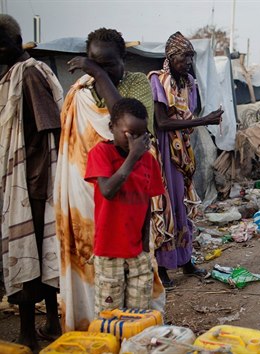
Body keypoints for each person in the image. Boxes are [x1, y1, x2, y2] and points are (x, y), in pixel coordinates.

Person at [55, 27, 164, 331]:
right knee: (102, 282)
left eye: (107, 65)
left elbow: (125, 117)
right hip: (87, 186)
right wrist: (94, 77)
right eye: (94, 64)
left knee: (137, 290)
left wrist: (96, 74)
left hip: (128, 195)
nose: (99, 72)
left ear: (123, 59)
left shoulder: (137, 84)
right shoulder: (80, 91)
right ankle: (95, 330)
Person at [0, 14, 63, 350]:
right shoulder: (17, 74)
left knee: (29, 256)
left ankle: (30, 331)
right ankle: (51, 322)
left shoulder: (29, 74)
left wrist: (35, 181)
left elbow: (50, 127)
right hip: (29, 181)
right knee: (39, 256)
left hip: (33, 185)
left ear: (6, 45)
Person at [149, 32, 223, 289]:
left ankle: (186, 261)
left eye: (191, 57)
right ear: (170, 57)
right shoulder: (158, 81)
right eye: (184, 57)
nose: (188, 63)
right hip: (164, 153)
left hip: (184, 153)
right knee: (167, 205)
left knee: (183, 206)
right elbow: (163, 122)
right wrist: (205, 121)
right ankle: (162, 267)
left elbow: (188, 114)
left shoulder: (189, 83)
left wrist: (204, 120)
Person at [85, 98, 164, 314]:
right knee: (110, 313)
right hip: (109, 249)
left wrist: (146, 246)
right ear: (112, 127)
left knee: (139, 312)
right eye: (130, 134)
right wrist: (132, 156)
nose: (136, 141)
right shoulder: (101, 153)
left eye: (141, 135)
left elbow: (147, 202)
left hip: (137, 250)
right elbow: (108, 191)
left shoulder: (149, 161)